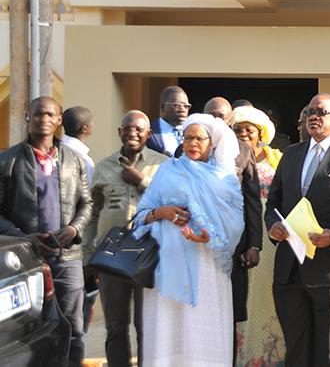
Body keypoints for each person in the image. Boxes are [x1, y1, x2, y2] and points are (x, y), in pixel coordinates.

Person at [265, 93, 330, 367]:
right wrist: (272, 226)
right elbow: (273, 202)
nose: (313, 116)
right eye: (309, 112)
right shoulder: (291, 154)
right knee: (297, 351)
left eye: (321, 111)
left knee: (329, 354)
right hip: (290, 269)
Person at [133, 113, 244, 366]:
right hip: (168, 263)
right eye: (188, 138)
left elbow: (236, 223)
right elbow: (140, 216)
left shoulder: (224, 179)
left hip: (207, 265)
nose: (192, 143)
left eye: (199, 138)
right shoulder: (166, 171)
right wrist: (162, 212)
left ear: (211, 143)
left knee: (202, 325)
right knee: (167, 326)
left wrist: (210, 236)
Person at [0, 96, 93, 367]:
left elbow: (87, 203)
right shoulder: (8, 159)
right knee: (33, 333)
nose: (44, 119)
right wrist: (25, 238)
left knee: (75, 331)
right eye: (38, 114)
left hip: (68, 259)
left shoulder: (75, 159)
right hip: (27, 260)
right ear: (28, 118)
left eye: (50, 114)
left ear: (59, 120)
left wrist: (75, 228)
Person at [84, 110, 168, 367]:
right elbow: (93, 210)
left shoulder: (163, 165)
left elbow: (170, 201)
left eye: (139, 129)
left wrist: (141, 180)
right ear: (120, 132)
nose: (133, 133)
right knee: (116, 326)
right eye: (127, 128)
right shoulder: (103, 166)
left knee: (148, 328)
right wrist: (89, 254)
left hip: (149, 256)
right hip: (113, 257)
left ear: (148, 134)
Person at [203, 97, 265, 364]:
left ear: (230, 120)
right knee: (199, 315)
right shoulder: (190, 146)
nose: (218, 121)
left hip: (233, 250)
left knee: (229, 315)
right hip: (197, 249)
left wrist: (254, 244)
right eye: (212, 115)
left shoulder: (242, 150)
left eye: (223, 117)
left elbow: (252, 202)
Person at [231, 105, 285, 365]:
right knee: (242, 295)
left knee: (266, 294)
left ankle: (269, 355)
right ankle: (242, 356)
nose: (243, 134)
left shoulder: (276, 159)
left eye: (248, 130)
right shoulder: (228, 159)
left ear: (260, 133)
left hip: (268, 235)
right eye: (237, 130)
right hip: (240, 233)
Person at [62, 105, 98, 336]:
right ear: (86, 128)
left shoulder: (58, 151)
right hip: (76, 239)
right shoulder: (83, 159)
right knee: (83, 298)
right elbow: (88, 202)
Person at [146, 85, 191, 156]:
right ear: (163, 107)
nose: (182, 110)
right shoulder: (149, 133)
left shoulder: (192, 131)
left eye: (186, 106)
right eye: (176, 105)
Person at [62, 106, 95, 183]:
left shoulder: (54, 149)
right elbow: (88, 190)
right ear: (84, 129)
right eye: (91, 122)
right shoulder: (84, 160)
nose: (93, 124)